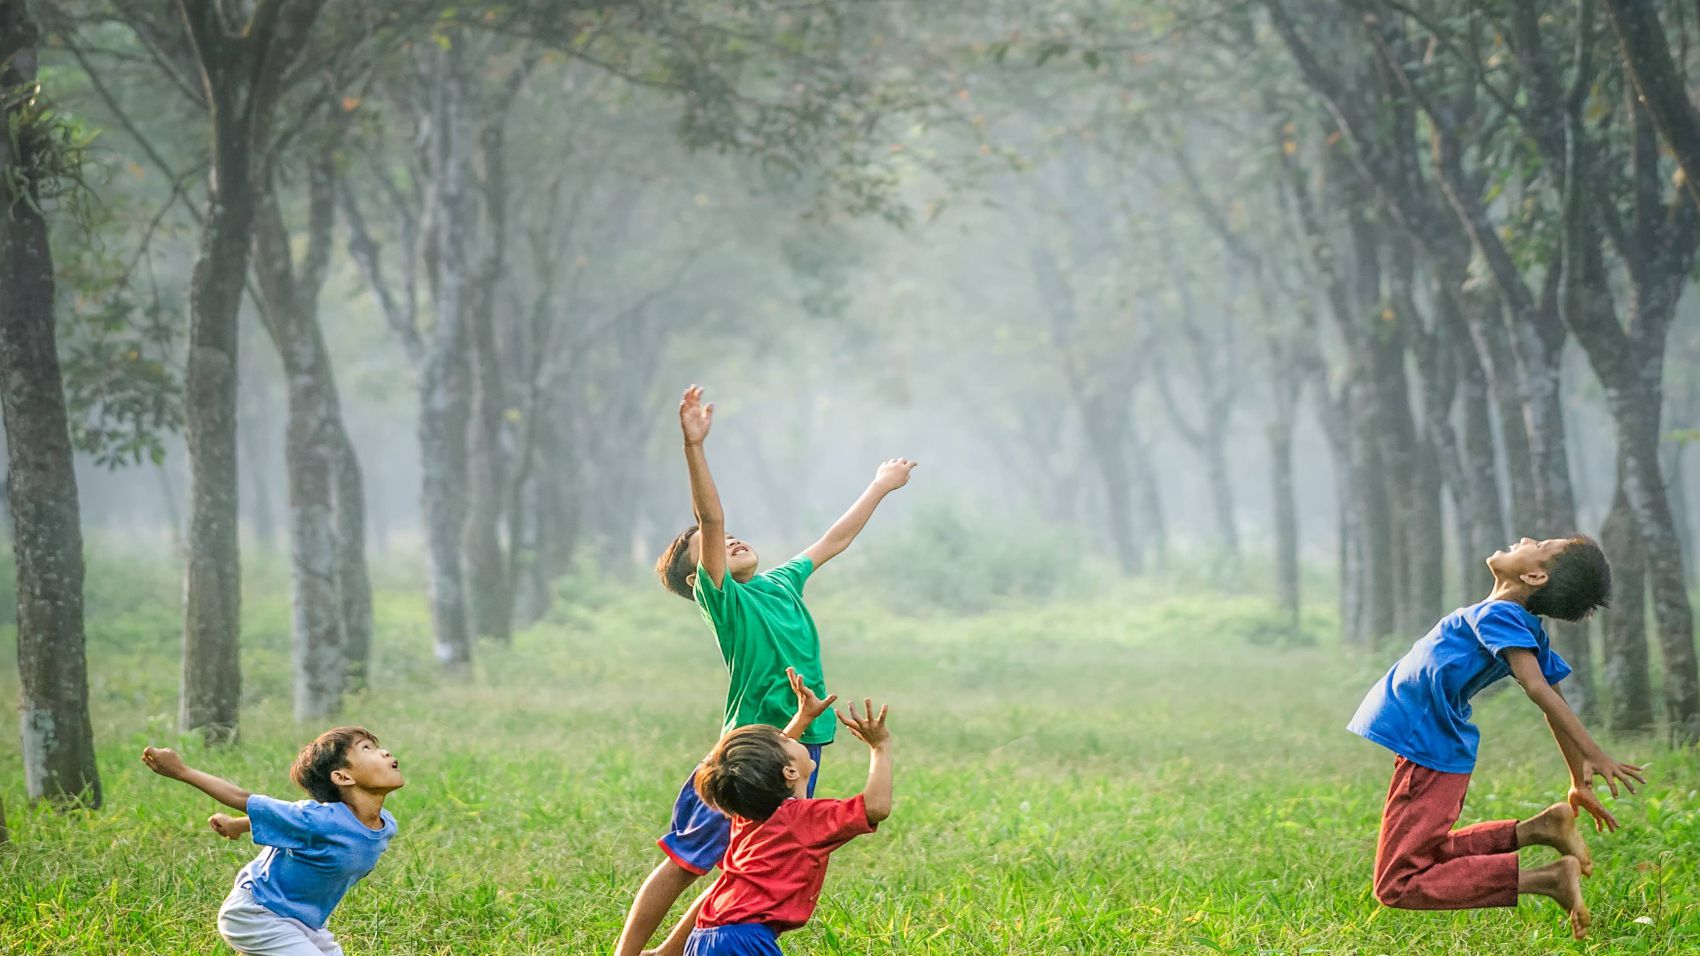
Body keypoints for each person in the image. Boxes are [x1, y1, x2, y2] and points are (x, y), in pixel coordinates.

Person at [615, 384, 915, 956]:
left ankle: (674, 951)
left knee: (748, 858)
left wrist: (879, 485)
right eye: (716, 546)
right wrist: (694, 446)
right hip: (747, 752)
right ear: (699, 577)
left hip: (803, 744)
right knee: (687, 860)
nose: (730, 541)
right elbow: (709, 512)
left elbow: (833, 539)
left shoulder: (781, 583)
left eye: (732, 540)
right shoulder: (724, 600)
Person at [1347, 535, 1644, 939]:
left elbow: (1539, 689)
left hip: (1429, 748)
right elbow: (1552, 702)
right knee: (1427, 854)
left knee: (1398, 882)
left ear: (1535, 575)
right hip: (1430, 746)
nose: (1525, 538)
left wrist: (1593, 754)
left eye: (1539, 544)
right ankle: (1543, 829)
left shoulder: (1502, 615)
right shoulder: (1514, 621)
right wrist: (1577, 778)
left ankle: (1548, 879)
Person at [141, 728, 404, 955]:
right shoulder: (317, 819)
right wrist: (181, 771)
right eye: (367, 748)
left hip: (305, 922)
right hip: (258, 912)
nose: (385, 752)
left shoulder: (385, 825)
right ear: (343, 777)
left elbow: (292, 826)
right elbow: (242, 798)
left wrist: (238, 825)